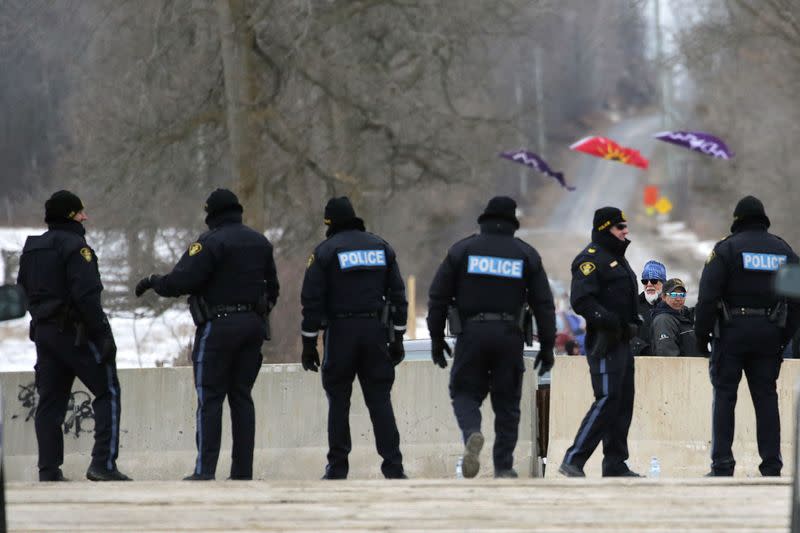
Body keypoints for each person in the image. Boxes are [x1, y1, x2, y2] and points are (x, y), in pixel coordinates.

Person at [135, 188, 279, 481]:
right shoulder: (260, 242)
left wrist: (153, 281)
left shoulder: (210, 242)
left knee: (210, 399)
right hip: (252, 327)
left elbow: (180, 281)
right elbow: (273, 288)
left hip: (218, 328)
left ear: (211, 215)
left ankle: (205, 471)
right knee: (242, 398)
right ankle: (242, 473)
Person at [427, 196, 556, 479]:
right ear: (512, 222)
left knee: (463, 392)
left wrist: (436, 339)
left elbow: (438, 297)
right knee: (507, 404)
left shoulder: (462, 251)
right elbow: (544, 304)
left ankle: (472, 432)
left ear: (484, 219)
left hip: (471, 334)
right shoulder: (526, 254)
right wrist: (547, 347)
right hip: (510, 336)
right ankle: (504, 467)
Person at [17, 190, 130, 482]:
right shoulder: (77, 247)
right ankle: (102, 464)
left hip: (44, 334)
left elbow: (23, 289)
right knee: (108, 391)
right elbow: (87, 296)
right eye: (81, 212)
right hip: (75, 334)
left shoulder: (32, 248)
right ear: (70, 215)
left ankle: (49, 470)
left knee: (50, 401)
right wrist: (104, 335)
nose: (85, 217)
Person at [299, 197, 408, 480]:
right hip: (375, 333)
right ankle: (394, 467)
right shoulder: (381, 247)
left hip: (341, 333)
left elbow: (311, 301)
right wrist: (397, 338)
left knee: (338, 402)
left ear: (330, 224)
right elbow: (398, 296)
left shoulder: (324, 252)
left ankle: (337, 468)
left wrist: (309, 344)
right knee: (380, 401)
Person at [695, 196, 799, 477]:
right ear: (763, 219)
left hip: (731, 334)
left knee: (725, 396)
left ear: (737, 220)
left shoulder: (726, 250)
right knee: (766, 398)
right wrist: (782, 336)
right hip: (769, 334)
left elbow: (707, 298)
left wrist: (701, 335)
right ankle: (772, 465)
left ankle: (722, 465)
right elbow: (797, 301)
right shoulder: (783, 251)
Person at [559, 207, 641, 478]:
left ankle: (615, 463)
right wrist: (609, 320)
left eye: (625, 226)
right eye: (620, 227)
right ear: (606, 229)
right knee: (607, 399)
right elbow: (581, 300)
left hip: (623, 342)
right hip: (604, 342)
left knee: (623, 402)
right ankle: (574, 458)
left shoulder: (618, 258)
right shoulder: (590, 260)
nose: (625, 231)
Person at [651, 278, 700, 357]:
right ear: (663, 297)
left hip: (694, 368)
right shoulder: (663, 321)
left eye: (682, 295)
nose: (678, 299)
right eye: (674, 295)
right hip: (680, 368)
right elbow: (667, 356)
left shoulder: (684, 316)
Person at [631, 260, 666, 356]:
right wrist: (644, 349)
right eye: (645, 281)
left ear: (664, 284)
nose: (649, 284)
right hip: (639, 363)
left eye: (654, 281)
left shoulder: (672, 306)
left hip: (668, 362)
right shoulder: (632, 306)